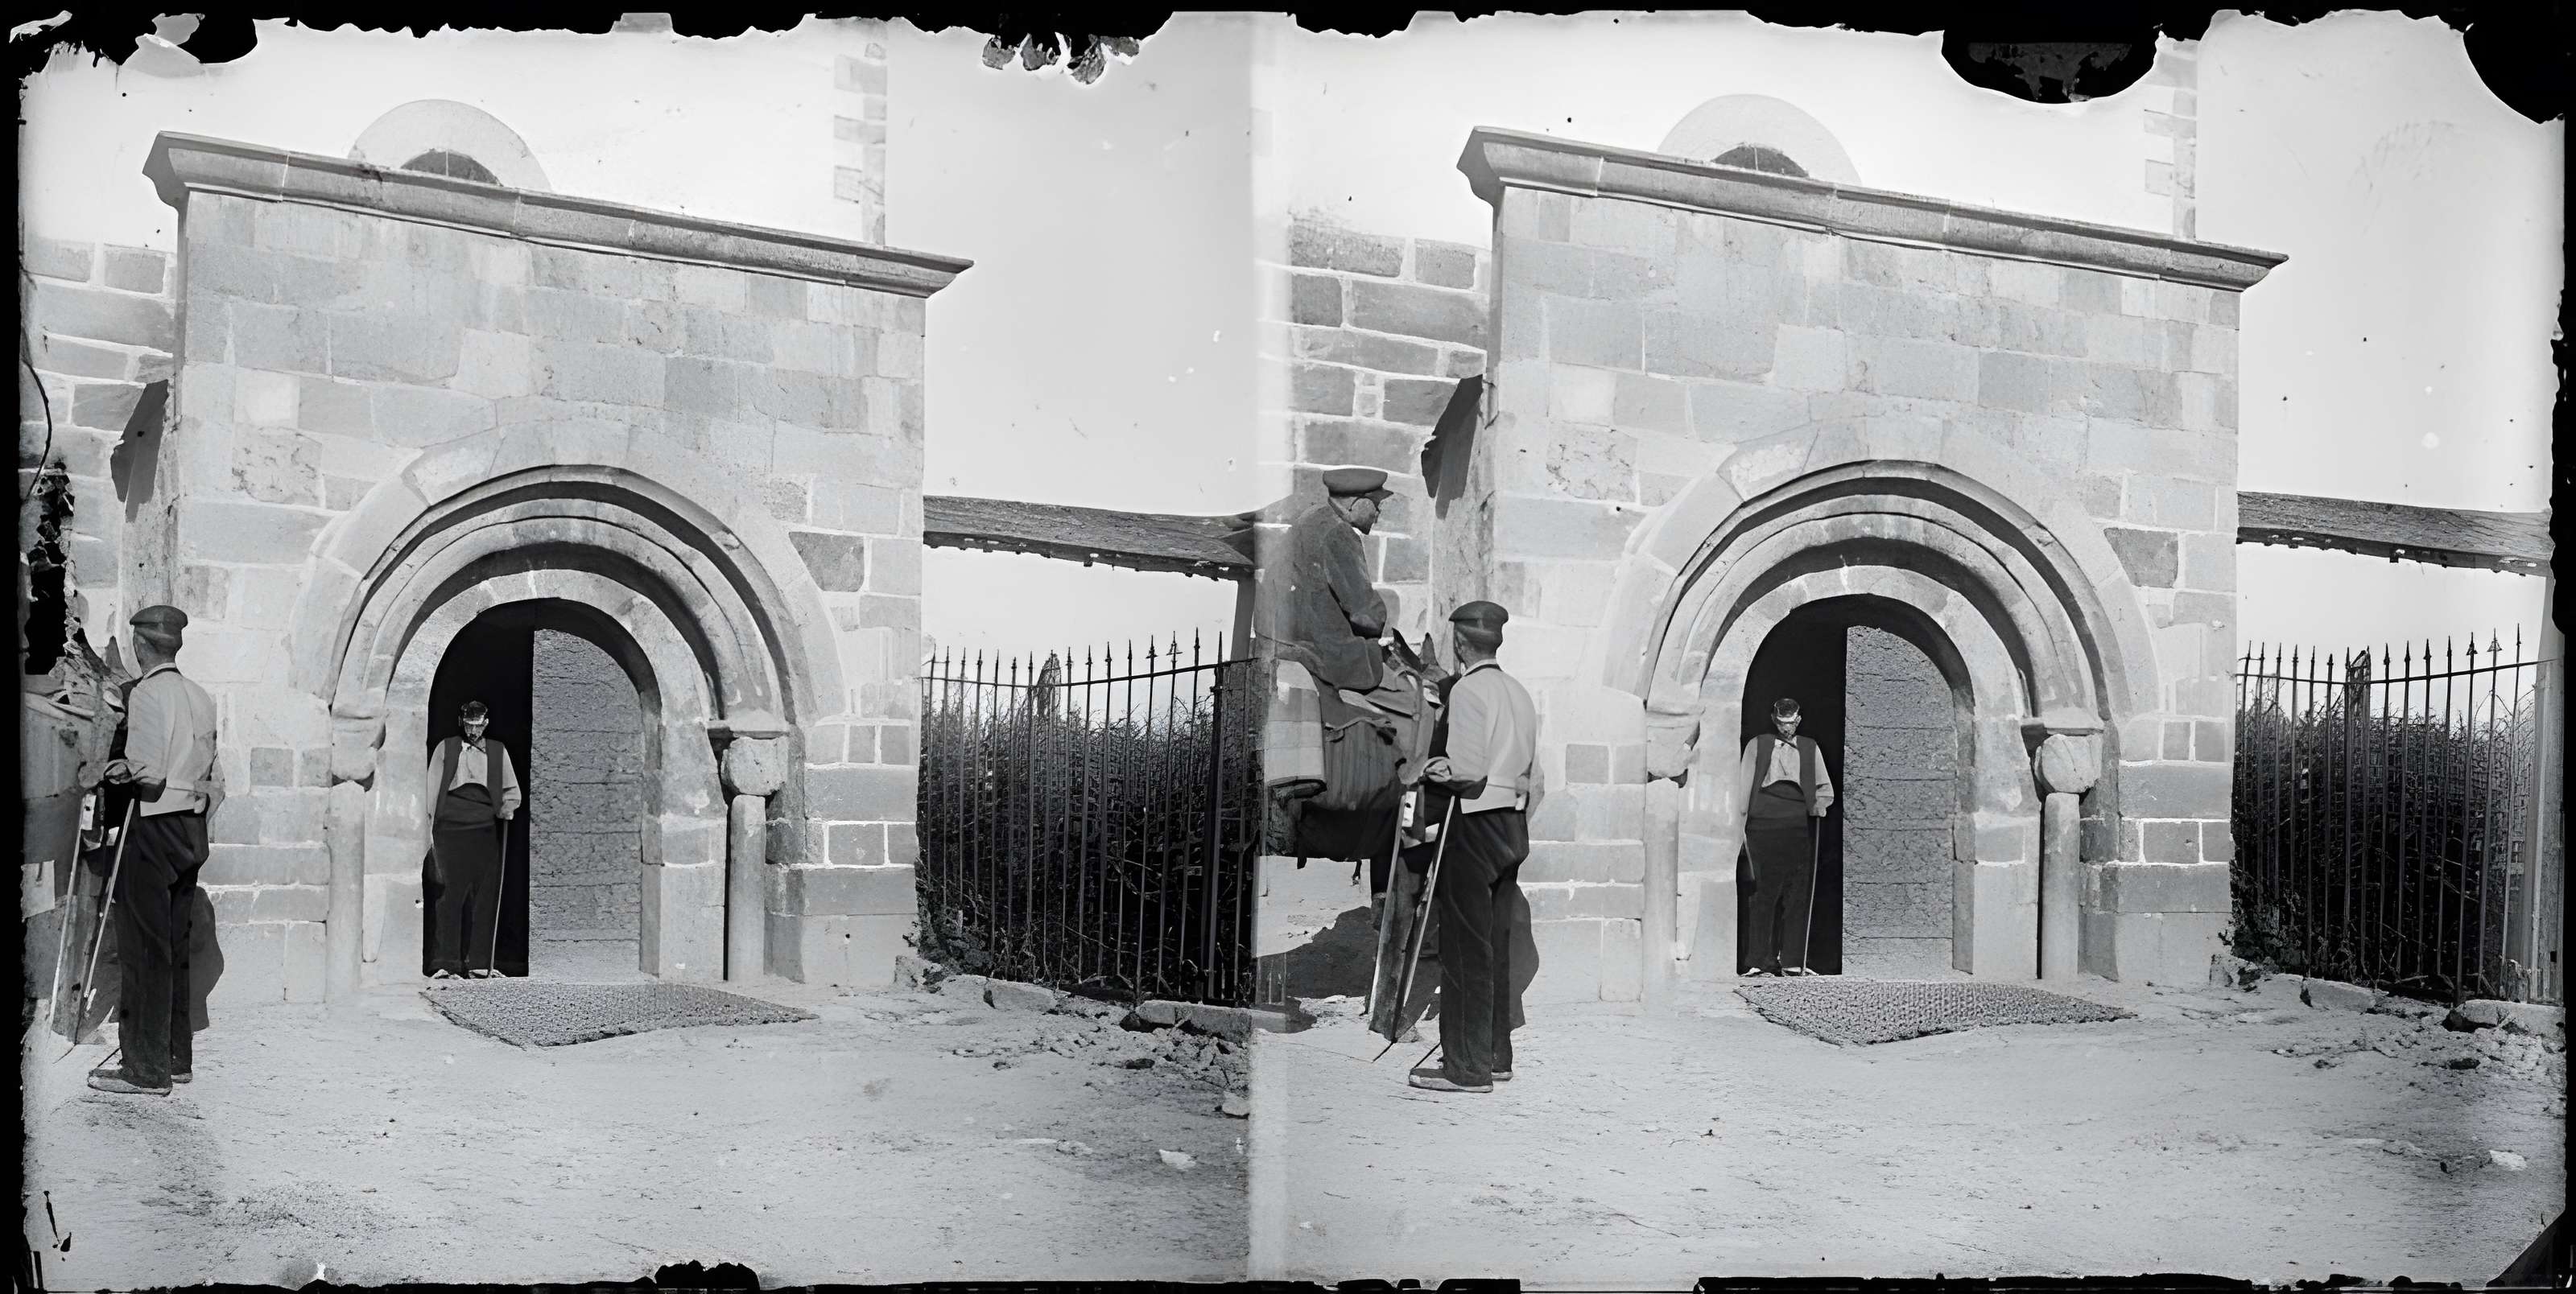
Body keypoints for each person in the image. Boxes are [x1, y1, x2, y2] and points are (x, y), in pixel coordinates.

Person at [88, 604, 224, 1097]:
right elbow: (206, 768)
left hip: (153, 822)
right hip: (191, 827)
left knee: (144, 948)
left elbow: (149, 769)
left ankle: (145, 1070)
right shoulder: (200, 695)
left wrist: (109, 770)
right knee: (175, 944)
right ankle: (175, 1057)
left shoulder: (147, 692)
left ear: (141, 646)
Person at [1408, 600, 1538, 1095]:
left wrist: (1430, 768)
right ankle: (1496, 1058)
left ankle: (1465, 1069)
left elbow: (1467, 769)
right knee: (1498, 946)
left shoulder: (1466, 690)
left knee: (1464, 949)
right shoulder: (1519, 692)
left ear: (1460, 643)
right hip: (1513, 824)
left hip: (1475, 821)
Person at [1269, 466, 1395, 695]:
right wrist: (1380, 618)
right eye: (1376, 504)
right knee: (1414, 702)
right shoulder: (1339, 534)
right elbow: (1365, 614)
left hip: (1294, 642)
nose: (1378, 514)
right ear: (1356, 503)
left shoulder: (1311, 517)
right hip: (1327, 653)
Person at [1739, 696, 1835, 978]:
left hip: (1797, 823)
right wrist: (1741, 823)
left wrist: (1819, 805)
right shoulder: (1758, 745)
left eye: (1791, 724)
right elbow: (1744, 785)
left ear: (1799, 721)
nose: (1787, 730)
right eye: (1782, 724)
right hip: (1762, 824)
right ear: (1774, 720)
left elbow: (1824, 786)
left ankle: (1793, 960)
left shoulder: (1810, 747)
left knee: (1797, 893)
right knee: (1763, 893)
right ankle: (1758, 959)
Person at [424, 701, 521, 979]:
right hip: (449, 828)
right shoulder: (447, 747)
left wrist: (507, 808)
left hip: (483, 828)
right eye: (469, 724)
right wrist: (428, 829)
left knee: (483, 894)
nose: (473, 730)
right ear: (461, 722)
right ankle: (447, 962)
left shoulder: (498, 752)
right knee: (448, 894)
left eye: (478, 725)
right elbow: (432, 788)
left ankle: (479, 962)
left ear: (486, 724)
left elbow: (511, 790)